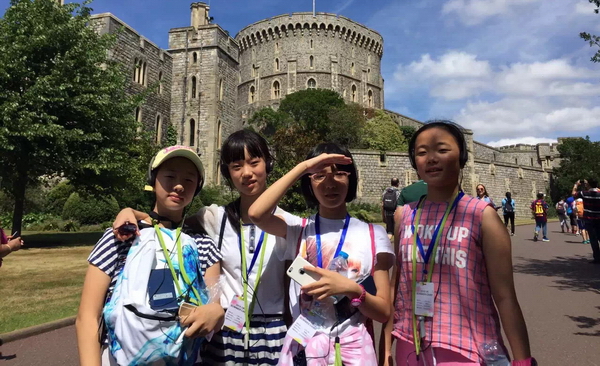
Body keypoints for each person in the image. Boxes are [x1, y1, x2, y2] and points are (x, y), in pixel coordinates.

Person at [112, 130, 297, 365]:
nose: (246, 173)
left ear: (268, 164)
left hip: (273, 332)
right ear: (227, 173)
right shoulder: (214, 217)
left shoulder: (289, 224)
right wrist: (131, 212)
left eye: (254, 162)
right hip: (226, 330)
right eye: (237, 166)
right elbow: (168, 221)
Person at [382, 121, 534, 366]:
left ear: (462, 157)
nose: (431, 158)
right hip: (410, 346)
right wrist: (385, 349)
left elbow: (505, 296)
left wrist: (522, 360)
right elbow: (395, 287)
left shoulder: (482, 216)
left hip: (466, 349)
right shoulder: (406, 216)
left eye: (442, 150)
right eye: (422, 152)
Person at [248, 142, 395, 366]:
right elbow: (256, 214)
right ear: (309, 182)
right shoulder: (298, 229)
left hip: (353, 352)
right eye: (319, 176)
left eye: (339, 174)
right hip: (304, 350)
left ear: (351, 178)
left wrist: (351, 289)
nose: (330, 183)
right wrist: (304, 167)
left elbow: (383, 312)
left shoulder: (373, 234)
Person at [76, 146, 224, 366]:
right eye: (170, 176)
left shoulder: (204, 245)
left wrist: (216, 312)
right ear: (153, 181)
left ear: (197, 188)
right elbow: (87, 317)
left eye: (189, 180)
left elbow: (214, 309)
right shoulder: (121, 236)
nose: (179, 185)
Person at [572, 179, 600, 264]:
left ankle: (597, 258)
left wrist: (576, 185)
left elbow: (573, 194)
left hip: (589, 218)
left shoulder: (585, 193)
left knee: (593, 239)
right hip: (599, 218)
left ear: (589, 185)